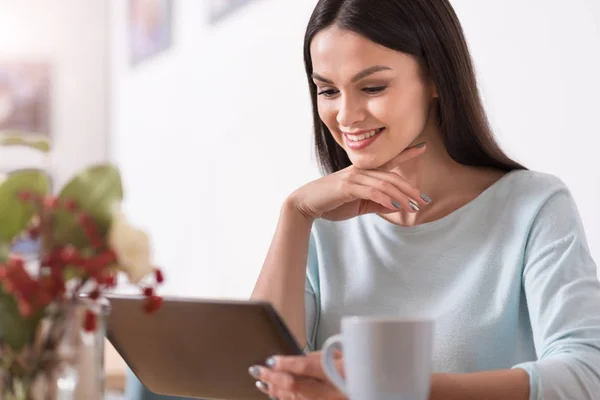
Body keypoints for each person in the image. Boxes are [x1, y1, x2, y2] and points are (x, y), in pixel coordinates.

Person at [248, 0, 600, 399]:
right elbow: (260, 383)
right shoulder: (320, 226)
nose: (346, 116)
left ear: (435, 77)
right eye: (328, 90)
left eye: (373, 87)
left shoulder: (533, 206)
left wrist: (400, 389)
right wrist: (294, 215)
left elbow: (585, 375)